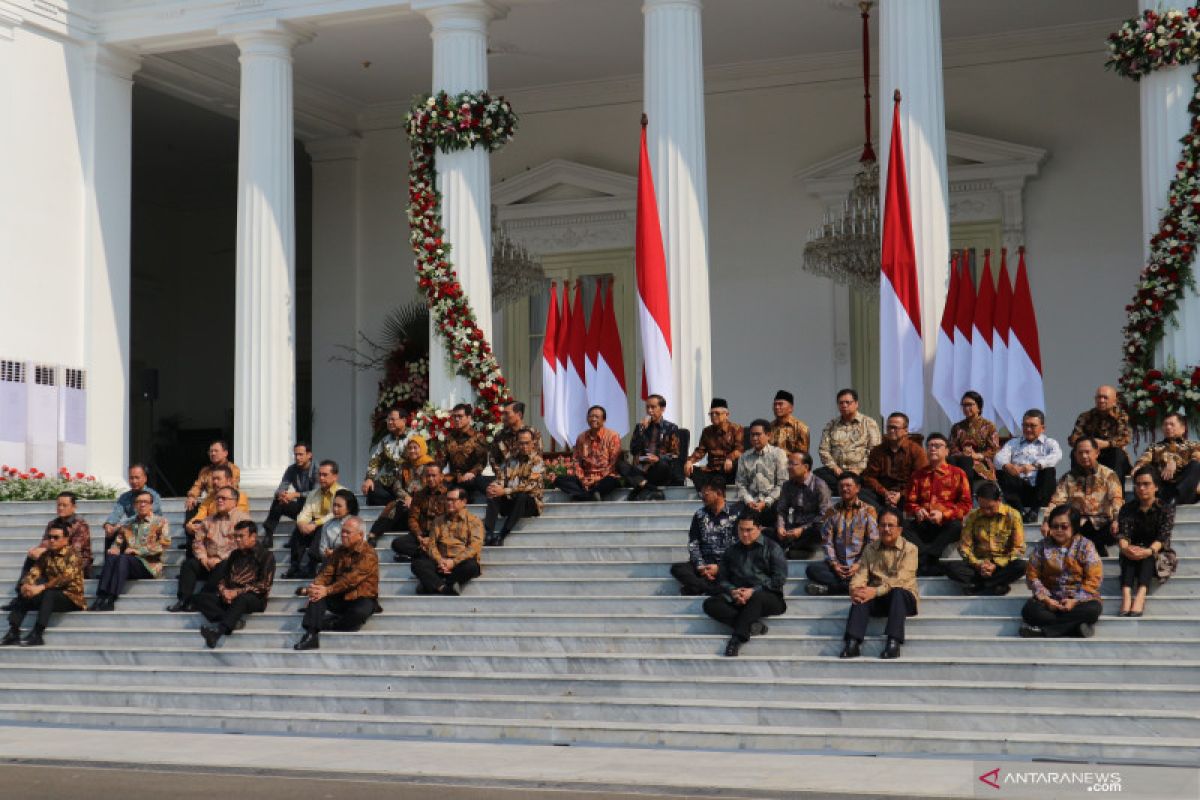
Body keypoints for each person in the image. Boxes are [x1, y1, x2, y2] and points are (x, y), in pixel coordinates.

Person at [840, 508, 920, 660]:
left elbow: (902, 579)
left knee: (898, 592)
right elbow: (861, 573)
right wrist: (855, 589)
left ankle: (893, 642)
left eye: (891, 525)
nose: (886, 529)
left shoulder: (910, 549)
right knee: (862, 591)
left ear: (900, 529)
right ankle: (852, 642)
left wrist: (875, 592)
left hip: (903, 598)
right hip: (878, 597)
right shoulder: (870, 548)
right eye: (882, 525)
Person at [703, 516, 788, 657]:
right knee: (710, 604)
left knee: (757, 598)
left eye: (749, 530)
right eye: (741, 530)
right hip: (738, 597)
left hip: (767, 597)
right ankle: (751, 626)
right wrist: (733, 591)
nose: (744, 534)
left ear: (759, 529)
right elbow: (722, 579)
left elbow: (779, 579)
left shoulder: (773, 548)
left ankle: (736, 639)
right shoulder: (731, 551)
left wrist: (753, 591)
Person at [293, 516, 379, 650]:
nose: (343, 535)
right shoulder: (338, 551)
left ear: (360, 535)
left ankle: (331, 624)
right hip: (340, 595)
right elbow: (326, 574)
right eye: (342, 531)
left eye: (347, 532)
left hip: (361, 597)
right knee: (317, 595)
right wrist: (316, 587)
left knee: (359, 613)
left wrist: (326, 590)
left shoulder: (369, 554)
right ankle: (311, 635)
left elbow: (351, 580)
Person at [1021, 504, 1103, 638]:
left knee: (1093, 610)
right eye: (1054, 526)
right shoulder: (1042, 546)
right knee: (1029, 611)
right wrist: (1047, 600)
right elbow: (1032, 576)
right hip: (1050, 599)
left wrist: (1074, 600)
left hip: (1078, 601)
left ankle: (1044, 632)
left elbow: (1094, 578)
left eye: (1064, 526)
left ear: (1074, 527)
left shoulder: (1086, 545)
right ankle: (1075, 628)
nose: (1059, 530)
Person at [193, 520, 275, 649]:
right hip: (230, 595)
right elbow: (223, 578)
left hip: (253, 597)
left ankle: (217, 633)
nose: (237, 540)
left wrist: (237, 592)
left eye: (241, 536)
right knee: (199, 598)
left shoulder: (266, 556)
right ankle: (232, 620)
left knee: (243, 599)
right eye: (235, 536)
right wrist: (223, 590)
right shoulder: (234, 554)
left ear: (253, 536)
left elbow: (264, 584)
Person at [4, 492, 92, 612]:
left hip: (75, 565)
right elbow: (45, 544)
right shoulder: (53, 524)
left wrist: (46, 549)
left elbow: (75, 549)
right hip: (54, 561)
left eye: (64, 505)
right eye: (58, 505)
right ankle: (22, 592)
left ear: (74, 507)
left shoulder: (81, 525)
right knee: (32, 557)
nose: (60, 508)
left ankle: (23, 599)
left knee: (43, 566)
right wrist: (36, 551)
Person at [2, 521, 85, 646]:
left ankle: (37, 634)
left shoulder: (74, 555)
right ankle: (13, 631)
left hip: (71, 597)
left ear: (66, 539)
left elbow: (65, 578)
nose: (51, 540)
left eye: (56, 537)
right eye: (49, 537)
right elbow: (35, 571)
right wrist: (26, 584)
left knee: (48, 593)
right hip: (51, 593)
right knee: (27, 591)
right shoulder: (46, 555)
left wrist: (41, 587)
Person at [168, 487, 249, 612]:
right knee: (189, 564)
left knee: (225, 564)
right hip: (208, 562)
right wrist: (203, 558)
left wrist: (219, 559)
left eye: (223, 498)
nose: (219, 501)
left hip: (230, 564)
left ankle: (200, 599)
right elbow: (198, 541)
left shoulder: (243, 520)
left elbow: (241, 545)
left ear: (234, 501)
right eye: (217, 498)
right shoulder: (208, 520)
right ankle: (183, 599)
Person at [904, 434, 972, 576]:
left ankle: (927, 558)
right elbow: (909, 502)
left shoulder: (958, 473)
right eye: (930, 446)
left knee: (957, 526)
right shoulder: (917, 475)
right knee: (902, 525)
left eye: (937, 446)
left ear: (947, 451)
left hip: (946, 524)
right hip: (924, 522)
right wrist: (917, 510)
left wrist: (944, 514)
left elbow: (966, 504)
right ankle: (927, 557)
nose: (933, 449)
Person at [90, 491, 171, 611]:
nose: (142, 505)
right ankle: (101, 596)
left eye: (145, 502)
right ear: (134, 506)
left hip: (149, 565)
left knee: (123, 558)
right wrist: (114, 548)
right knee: (113, 557)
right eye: (138, 502)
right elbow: (118, 542)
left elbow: (164, 544)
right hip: (129, 562)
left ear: (151, 505)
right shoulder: (128, 523)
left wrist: (140, 551)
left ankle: (111, 598)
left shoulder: (160, 522)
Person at [942, 482, 1026, 596]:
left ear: (999, 500)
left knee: (1021, 565)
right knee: (951, 567)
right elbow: (964, 547)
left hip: (1002, 565)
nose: (986, 511)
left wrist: (995, 565)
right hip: (979, 565)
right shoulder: (973, 517)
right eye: (982, 508)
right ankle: (996, 585)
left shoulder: (1013, 515)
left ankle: (980, 587)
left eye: (990, 508)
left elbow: (1018, 548)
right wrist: (979, 564)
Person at [1044, 438, 1124, 556]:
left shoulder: (1109, 475)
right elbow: (1056, 502)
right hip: (1078, 524)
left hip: (1103, 524)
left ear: (1097, 453)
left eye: (1087, 452)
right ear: (1075, 455)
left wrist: (1116, 520)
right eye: (1080, 453)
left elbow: (1116, 499)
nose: (1084, 456)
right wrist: (1046, 521)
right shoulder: (1068, 477)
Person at [805, 473, 878, 596]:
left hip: (861, 564)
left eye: (848, 485)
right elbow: (827, 542)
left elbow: (873, 542)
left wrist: (859, 564)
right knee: (812, 570)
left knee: (875, 571)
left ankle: (833, 589)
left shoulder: (868, 510)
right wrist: (835, 564)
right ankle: (851, 585)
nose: (844, 489)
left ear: (858, 488)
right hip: (839, 565)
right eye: (841, 486)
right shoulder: (831, 511)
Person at [1116, 466, 1175, 617]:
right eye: (1138, 484)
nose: (1141, 488)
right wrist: (1125, 548)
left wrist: (1148, 551)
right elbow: (1123, 534)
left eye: (1146, 484)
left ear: (1156, 486)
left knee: (1147, 555)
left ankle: (1141, 595)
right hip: (1133, 552)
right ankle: (1127, 594)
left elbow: (1163, 537)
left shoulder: (1165, 508)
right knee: (1128, 553)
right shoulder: (1127, 509)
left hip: (1159, 553)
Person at [671, 477, 738, 596]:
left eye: (705, 493)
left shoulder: (735, 514)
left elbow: (739, 546)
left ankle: (696, 587)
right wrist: (701, 566)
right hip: (704, 563)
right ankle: (707, 588)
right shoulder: (699, 515)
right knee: (677, 569)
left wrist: (719, 568)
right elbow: (693, 543)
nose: (702, 496)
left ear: (718, 493)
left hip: (726, 565)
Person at [411, 488, 484, 596]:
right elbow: (432, 544)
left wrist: (453, 563)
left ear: (463, 502)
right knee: (418, 563)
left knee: (472, 566)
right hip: (440, 562)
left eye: (453, 500)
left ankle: (432, 584)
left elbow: (474, 547)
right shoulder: (438, 520)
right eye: (447, 500)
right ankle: (444, 588)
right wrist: (440, 560)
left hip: (460, 563)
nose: (449, 503)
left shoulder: (474, 521)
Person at [994, 409, 1062, 523]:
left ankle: (1035, 511)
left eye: (1032, 426)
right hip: (1019, 489)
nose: (1028, 429)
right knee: (1002, 470)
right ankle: (1020, 511)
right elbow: (998, 457)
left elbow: (1056, 456)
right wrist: (1009, 466)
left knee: (1049, 470)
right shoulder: (1013, 443)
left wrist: (1034, 466)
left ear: (1042, 428)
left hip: (1040, 491)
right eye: (1025, 425)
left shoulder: (1050, 443)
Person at [484, 428, 545, 546]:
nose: (524, 446)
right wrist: (495, 486)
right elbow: (502, 478)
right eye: (521, 443)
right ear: (516, 443)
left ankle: (502, 535)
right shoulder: (510, 460)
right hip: (511, 500)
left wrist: (505, 491)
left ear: (533, 443)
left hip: (530, 504)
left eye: (527, 443)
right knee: (493, 492)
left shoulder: (538, 461)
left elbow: (529, 486)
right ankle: (489, 533)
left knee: (522, 496)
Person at [286, 460, 345, 579]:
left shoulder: (343, 493)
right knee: (299, 529)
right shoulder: (314, 493)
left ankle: (311, 566)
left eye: (325, 475)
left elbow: (334, 514)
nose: (321, 478)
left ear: (335, 476)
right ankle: (294, 566)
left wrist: (315, 523)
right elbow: (305, 512)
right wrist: (302, 523)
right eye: (320, 474)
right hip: (315, 526)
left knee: (323, 527)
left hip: (335, 529)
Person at [815, 388, 881, 491]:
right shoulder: (832, 425)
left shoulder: (869, 423)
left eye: (848, 402)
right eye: (841, 403)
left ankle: (849, 488)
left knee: (869, 480)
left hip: (860, 471)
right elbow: (823, 450)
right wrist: (834, 467)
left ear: (856, 404)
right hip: (837, 472)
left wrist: (858, 469)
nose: (844, 405)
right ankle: (847, 487)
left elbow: (874, 451)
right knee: (815, 476)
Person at [619, 394, 681, 501]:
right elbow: (633, 450)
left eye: (653, 407)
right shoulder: (640, 427)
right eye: (647, 407)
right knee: (620, 464)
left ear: (662, 409)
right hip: (641, 468)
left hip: (659, 469)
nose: (649, 410)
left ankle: (639, 487)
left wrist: (658, 459)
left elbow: (675, 454)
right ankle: (650, 488)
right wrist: (641, 430)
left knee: (662, 465)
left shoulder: (671, 428)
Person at [861, 412, 928, 511]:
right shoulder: (877, 451)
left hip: (906, 494)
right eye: (889, 428)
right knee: (860, 493)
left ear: (906, 430)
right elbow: (870, 477)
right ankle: (883, 515)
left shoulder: (916, 451)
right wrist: (885, 493)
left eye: (895, 428)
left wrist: (901, 494)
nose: (891, 431)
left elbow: (921, 478)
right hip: (882, 494)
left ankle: (891, 515)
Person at [370, 436, 435, 537]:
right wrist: (406, 497)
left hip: (424, 500)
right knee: (396, 506)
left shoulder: (430, 465)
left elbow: (432, 485)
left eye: (415, 448)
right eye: (410, 448)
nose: (412, 451)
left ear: (422, 448)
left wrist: (414, 499)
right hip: (407, 502)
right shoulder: (404, 465)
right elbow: (397, 486)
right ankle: (374, 534)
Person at [1068, 385, 1133, 484]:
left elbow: (1125, 438)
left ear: (1114, 401)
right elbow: (1073, 439)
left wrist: (1106, 444)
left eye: (1105, 397)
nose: (1101, 400)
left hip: (1111, 454)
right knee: (1076, 453)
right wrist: (1090, 444)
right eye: (1099, 397)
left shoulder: (1122, 416)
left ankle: (1116, 493)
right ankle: (1078, 488)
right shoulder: (1085, 416)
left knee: (1117, 453)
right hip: (1091, 453)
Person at [772, 451, 832, 558]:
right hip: (794, 527)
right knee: (767, 531)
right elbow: (782, 510)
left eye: (793, 464)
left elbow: (824, 515)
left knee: (818, 531)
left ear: (805, 467)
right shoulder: (787, 485)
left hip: (811, 528)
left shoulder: (820, 486)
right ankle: (793, 547)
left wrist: (802, 529)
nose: (789, 467)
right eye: (788, 464)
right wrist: (781, 527)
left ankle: (792, 547)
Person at [1133, 412, 1200, 506]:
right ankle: (1168, 501)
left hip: (1185, 489)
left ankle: (1175, 498)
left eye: (1172, 424)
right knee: (1145, 470)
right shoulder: (1154, 447)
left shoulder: (1193, 446)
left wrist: (1175, 463)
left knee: (1195, 465)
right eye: (1165, 424)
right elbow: (1144, 460)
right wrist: (1137, 467)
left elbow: (1197, 457)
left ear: (1183, 429)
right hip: (1163, 488)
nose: (1168, 427)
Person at [557, 406, 622, 501]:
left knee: (611, 481)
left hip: (605, 478)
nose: (593, 419)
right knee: (559, 480)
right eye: (591, 416)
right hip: (586, 477)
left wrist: (596, 479)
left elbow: (613, 463)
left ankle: (584, 495)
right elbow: (576, 461)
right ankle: (591, 495)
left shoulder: (613, 436)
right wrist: (583, 479)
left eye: (597, 417)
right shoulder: (581, 438)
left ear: (604, 420)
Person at [184, 464, 249, 554]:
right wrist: (191, 525)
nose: (214, 482)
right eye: (213, 479)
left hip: (230, 539)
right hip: (209, 536)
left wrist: (210, 524)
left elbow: (239, 519)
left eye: (218, 479)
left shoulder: (239, 496)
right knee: (189, 564)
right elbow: (200, 515)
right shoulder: (210, 498)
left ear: (229, 481)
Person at [263, 442, 318, 547]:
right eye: (296, 454)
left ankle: (296, 540)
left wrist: (296, 494)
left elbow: (316, 493)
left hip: (314, 510)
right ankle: (268, 535)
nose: (297, 457)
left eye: (301, 454)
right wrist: (281, 494)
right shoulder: (292, 469)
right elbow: (282, 486)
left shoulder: (317, 470)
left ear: (309, 455)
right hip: (301, 507)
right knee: (278, 502)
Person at [735, 419, 788, 528]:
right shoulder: (744, 457)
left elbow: (782, 484)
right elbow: (740, 484)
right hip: (751, 503)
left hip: (773, 503)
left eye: (758, 434)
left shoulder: (778, 454)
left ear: (768, 435)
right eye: (752, 435)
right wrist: (749, 501)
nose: (754, 438)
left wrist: (766, 502)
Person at [683, 398, 743, 492]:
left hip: (727, 468)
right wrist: (690, 461)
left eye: (717, 413)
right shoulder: (707, 431)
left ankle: (708, 489)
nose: (713, 416)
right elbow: (700, 451)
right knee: (690, 470)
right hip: (711, 469)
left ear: (727, 415)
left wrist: (730, 458)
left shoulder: (736, 429)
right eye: (711, 414)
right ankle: (707, 490)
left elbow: (739, 449)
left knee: (732, 469)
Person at [392, 464, 447, 562]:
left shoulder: (448, 495)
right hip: (421, 534)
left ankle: (421, 555)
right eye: (428, 476)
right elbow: (412, 518)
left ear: (441, 476)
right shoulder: (419, 495)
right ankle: (426, 554)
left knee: (448, 544)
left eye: (433, 475)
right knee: (397, 543)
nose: (430, 479)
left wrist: (432, 538)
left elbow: (450, 520)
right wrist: (419, 536)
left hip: (440, 536)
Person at [304, 489, 359, 586]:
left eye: (339, 506)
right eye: (334, 505)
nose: (335, 509)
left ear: (349, 508)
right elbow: (322, 549)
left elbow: (359, 548)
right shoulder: (328, 525)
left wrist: (336, 552)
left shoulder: (356, 523)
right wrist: (328, 553)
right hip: (330, 562)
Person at [947, 391, 1000, 491]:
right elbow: (951, 447)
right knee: (952, 461)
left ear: (979, 407)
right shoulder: (957, 427)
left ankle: (967, 495)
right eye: (964, 405)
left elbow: (994, 449)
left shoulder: (988, 426)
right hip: (960, 460)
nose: (966, 408)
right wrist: (963, 453)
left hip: (981, 462)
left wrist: (978, 455)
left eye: (970, 405)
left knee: (966, 462)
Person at [361, 405, 413, 507]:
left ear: (404, 420)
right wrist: (369, 478)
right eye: (388, 420)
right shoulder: (385, 440)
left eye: (392, 419)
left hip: (409, 481)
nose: (389, 422)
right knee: (372, 490)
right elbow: (376, 460)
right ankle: (395, 504)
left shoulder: (414, 437)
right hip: (391, 482)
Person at [440, 403, 491, 503]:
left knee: (481, 485)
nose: (457, 419)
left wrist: (472, 472)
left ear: (468, 417)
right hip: (454, 478)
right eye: (454, 416)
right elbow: (442, 459)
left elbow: (482, 462)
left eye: (460, 416)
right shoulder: (449, 438)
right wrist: (438, 473)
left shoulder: (478, 437)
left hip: (472, 477)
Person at [102, 464, 162, 546]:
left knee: (124, 530)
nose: (134, 481)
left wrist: (120, 525)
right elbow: (116, 513)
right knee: (110, 534)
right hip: (131, 529)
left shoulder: (153, 496)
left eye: (137, 477)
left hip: (149, 530)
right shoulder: (125, 496)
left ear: (145, 478)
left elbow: (140, 516)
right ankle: (111, 558)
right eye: (131, 478)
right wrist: (109, 524)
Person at [184, 440, 240, 513]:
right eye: (211, 451)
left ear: (225, 453)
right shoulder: (205, 471)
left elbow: (232, 488)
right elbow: (197, 486)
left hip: (227, 503)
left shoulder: (233, 469)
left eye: (216, 451)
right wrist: (192, 496)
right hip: (209, 503)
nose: (213, 453)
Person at [488, 401, 543, 471]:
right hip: (503, 476)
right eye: (503, 414)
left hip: (527, 475)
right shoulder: (500, 435)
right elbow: (493, 459)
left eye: (506, 414)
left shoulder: (534, 433)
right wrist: (501, 475)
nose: (503, 417)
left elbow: (537, 459)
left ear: (519, 415)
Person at [767, 390, 809, 454]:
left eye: (780, 404)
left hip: (791, 463)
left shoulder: (801, 428)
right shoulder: (769, 427)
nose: (777, 407)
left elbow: (802, 456)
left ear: (791, 408)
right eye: (775, 404)